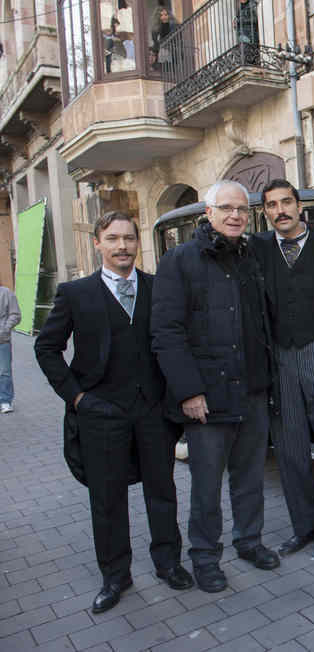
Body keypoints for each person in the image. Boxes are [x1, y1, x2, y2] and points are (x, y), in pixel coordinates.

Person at [35, 212, 191, 613]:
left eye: (129, 238)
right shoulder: (76, 293)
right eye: (113, 238)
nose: (122, 246)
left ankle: (168, 563)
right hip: (101, 413)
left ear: (138, 243)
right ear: (98, 244)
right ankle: (115, 576)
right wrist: (77, 398)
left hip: (154, 410)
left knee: (163, 491)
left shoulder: (159, 288)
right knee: (107, 499)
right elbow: (46, 348)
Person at [151, 180, 280, 593]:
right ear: (207, 213)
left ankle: (250, 542)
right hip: (207, 397)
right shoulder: (179, 260)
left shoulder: (253, 255)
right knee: (206, 485)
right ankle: (205, 556)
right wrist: (188, 391)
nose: (235, 216)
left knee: (250, 478)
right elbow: (167, 333)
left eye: (242, 209)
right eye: (225, 208)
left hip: (253, 389)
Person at [251, 179, 314, 563]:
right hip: (280, 359)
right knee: (290, 449)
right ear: (265, 212)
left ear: (299, 205)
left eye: (286, 202)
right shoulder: (256, 250)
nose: (280, 210)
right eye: (272, 205)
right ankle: (304, 528)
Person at [0, 282, 20, 413]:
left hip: (2, 340)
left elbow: (15, 314)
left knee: (4, 371)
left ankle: (5, 400)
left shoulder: (6, 293)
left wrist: (5, 329)